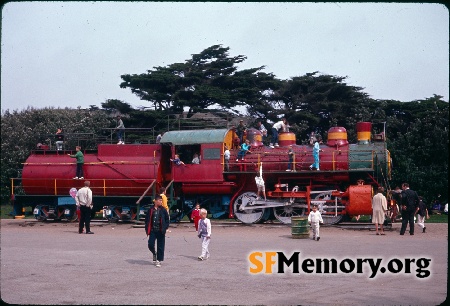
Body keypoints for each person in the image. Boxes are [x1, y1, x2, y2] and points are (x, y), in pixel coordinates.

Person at [145, 195, 170, 267]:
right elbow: (147, 220)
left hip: (160, 230)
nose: (161, 202)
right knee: (150, 244)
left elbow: (167, 219)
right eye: (160, 200)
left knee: (160, 246)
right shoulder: (151, 209)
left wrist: (165, 228)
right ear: (155, 201)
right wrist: (147, 228)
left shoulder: (163, 210)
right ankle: (154, 253)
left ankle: (159, 260)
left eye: (162, 200)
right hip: (153, 230)